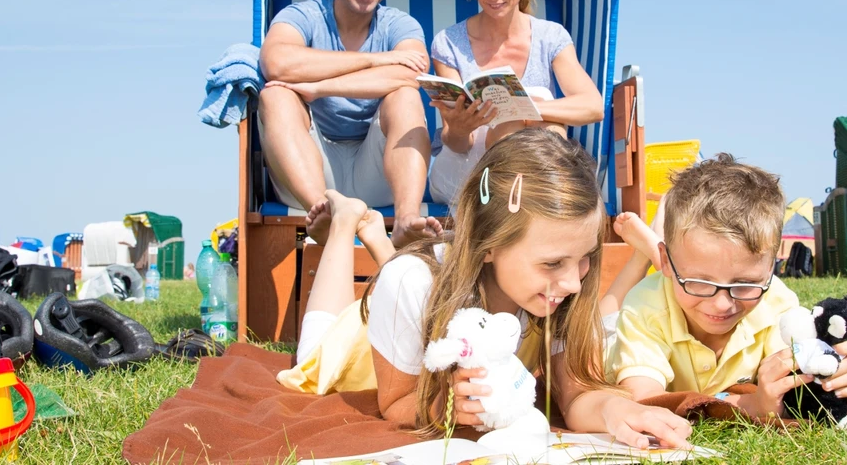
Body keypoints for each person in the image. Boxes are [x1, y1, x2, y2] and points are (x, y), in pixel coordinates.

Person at [277, 128, 691, 449]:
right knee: (316, 348)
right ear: (488, 243)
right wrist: (447, 406)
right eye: (552, 263)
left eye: (584, 258)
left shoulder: (560, 285)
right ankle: (347, 224)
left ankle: (373, 236)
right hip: (364, 347)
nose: (573, 281)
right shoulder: (410, 282)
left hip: (428, 297)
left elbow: (575, 395)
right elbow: (396, 402)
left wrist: (615, 408)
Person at [606, 155, 847, 419]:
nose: (722, 304)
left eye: (745, 284)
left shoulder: (776, 301)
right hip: (610, 337)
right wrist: (750, 404)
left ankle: (657, 244)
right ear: (666, 262)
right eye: (699, 282)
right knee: (599, 325)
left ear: (770, 268)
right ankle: (646, 253)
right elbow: (644, 401)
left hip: (672, 266)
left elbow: (803, 370)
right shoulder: (645, 308)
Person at [259, 0, 441, 247]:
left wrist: (321, 86)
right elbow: (276, 63)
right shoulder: (302, 16)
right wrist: (375, 59)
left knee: (404, 95)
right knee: (275, 96)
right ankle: (325, 216)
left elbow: (412, 75)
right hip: (310, 171)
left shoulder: (400, 24)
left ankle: (406, 219)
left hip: (376, 171)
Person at [427, 0, 604, 206]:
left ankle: (526, 201)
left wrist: (522, 106)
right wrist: (460, 129)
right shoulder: (449, 43)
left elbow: (594, 106)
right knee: (520, 117)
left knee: (541, 106)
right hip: (462, 166)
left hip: (528, 168)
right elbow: (457, 141)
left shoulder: (550, 36)